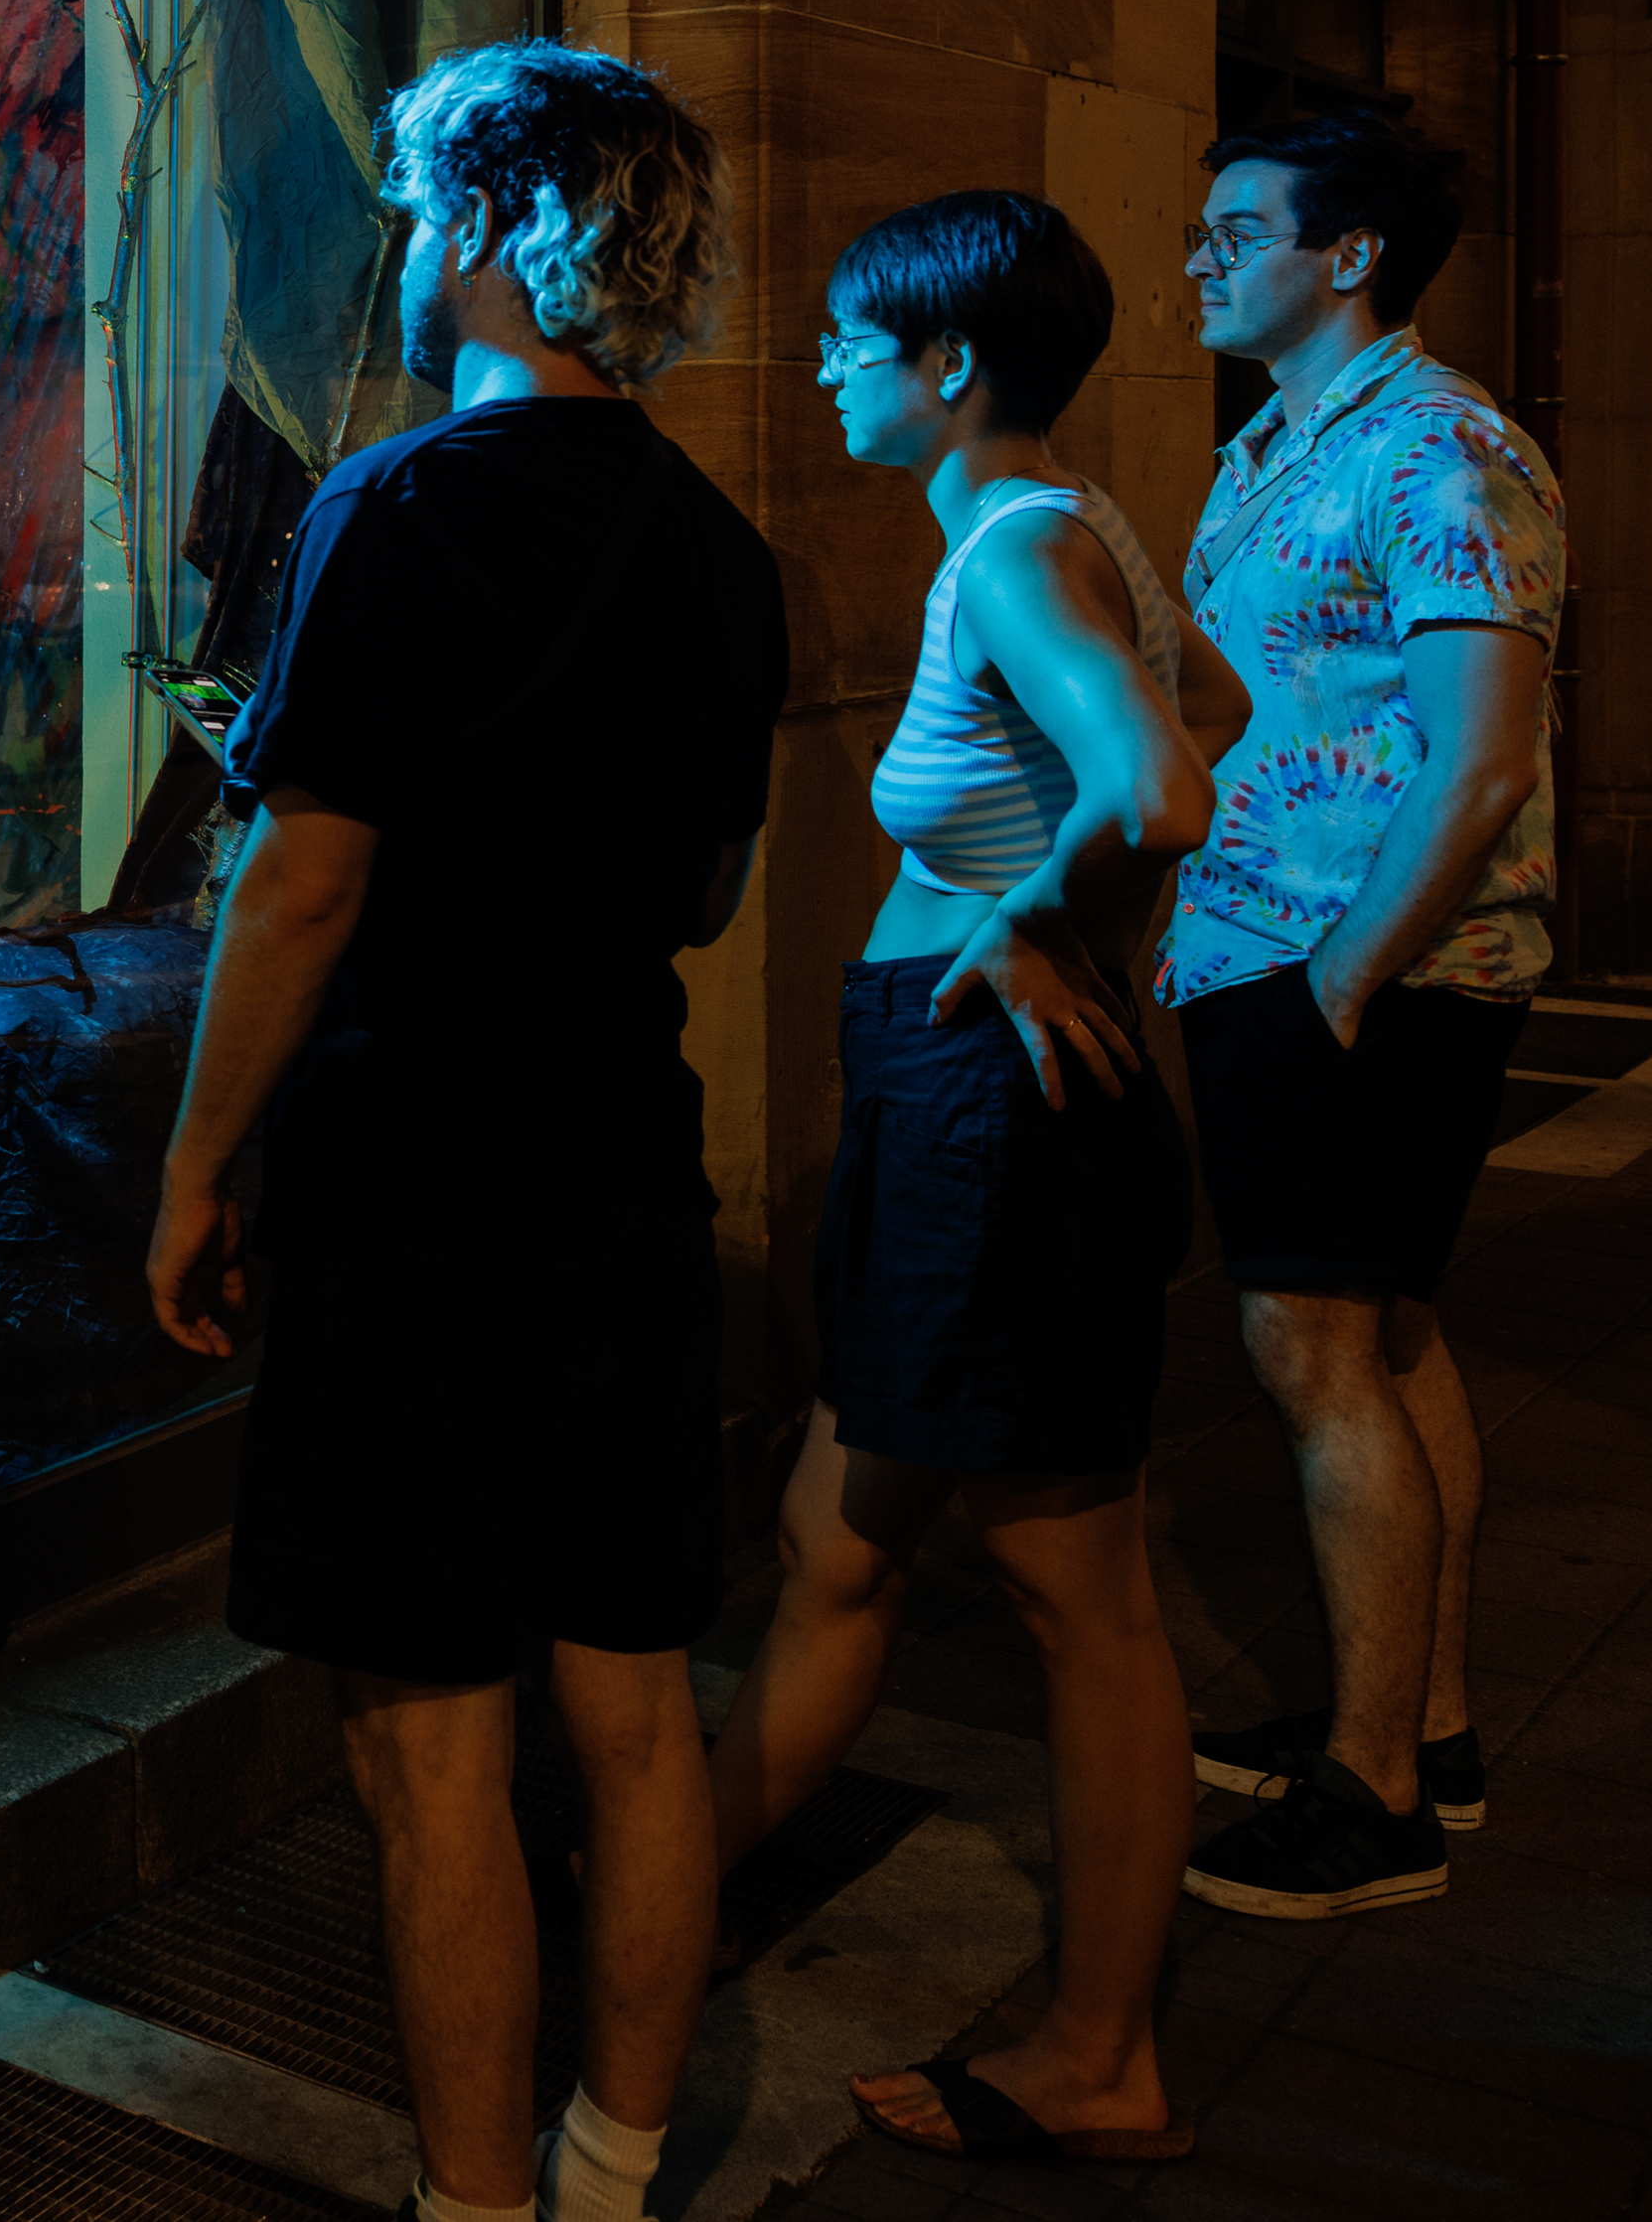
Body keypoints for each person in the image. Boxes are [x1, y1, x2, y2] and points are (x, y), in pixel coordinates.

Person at [144, 41, 783, 2222]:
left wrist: (195, 1164)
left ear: (508, 235)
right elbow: (702, 885)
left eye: (425, 213)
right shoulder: (719, 546)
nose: (407, 256)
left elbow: (302, 875)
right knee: (630, 1706)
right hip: (625, 1167)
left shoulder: (398, 504)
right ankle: (609, 2166)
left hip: (421, 1190)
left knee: (429, 1747)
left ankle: (474, 2206)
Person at [706, 193, 1247, 2167]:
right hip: (961, 1119)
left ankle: (1104, 2060)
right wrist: (1058, 905)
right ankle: (647, 1885)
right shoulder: (1071, 528)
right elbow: (1217, 712)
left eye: (852, 337)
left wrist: (1028, 918)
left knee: (1073, 1597)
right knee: (836, 1537)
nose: (822, 366)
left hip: (994, 1130)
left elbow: (1165, 781)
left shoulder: (1015, 553)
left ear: (946, 368)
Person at [1160, 112, 1559, 1919]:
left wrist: (1343, 979)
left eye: (1235, 228)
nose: (1199, 255)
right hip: (1282, 959)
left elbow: (1482, 764)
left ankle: (1373, 1795)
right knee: (1385, 1342)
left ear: (1350, 257)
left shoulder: (1443, 450)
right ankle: (1431, 1728)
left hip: (1361, 972)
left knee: (1309, 1356)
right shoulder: (1273, 449)